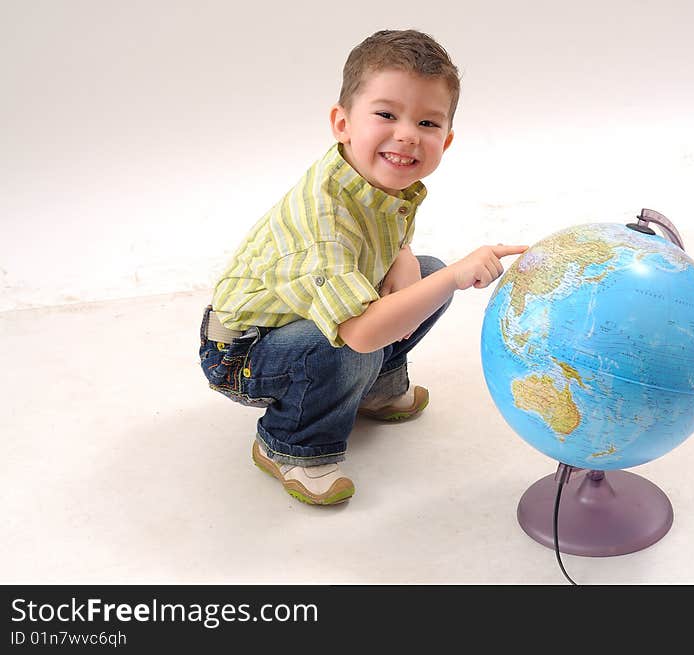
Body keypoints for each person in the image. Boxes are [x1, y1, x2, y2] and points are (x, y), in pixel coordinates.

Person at [198, 29, 527, 506]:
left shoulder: (377, 176)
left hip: (306, 321)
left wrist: (407, 256)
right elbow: (359, 333)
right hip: (243, 355)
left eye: (428, 123)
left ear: (447, 139)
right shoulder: (322, 220)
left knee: (425, 272)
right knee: (350, 339)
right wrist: (454, 276)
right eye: (386, 114)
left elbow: (389, 235)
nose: (408, 135)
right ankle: (290, 444)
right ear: (342, 122)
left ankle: (375, 390)